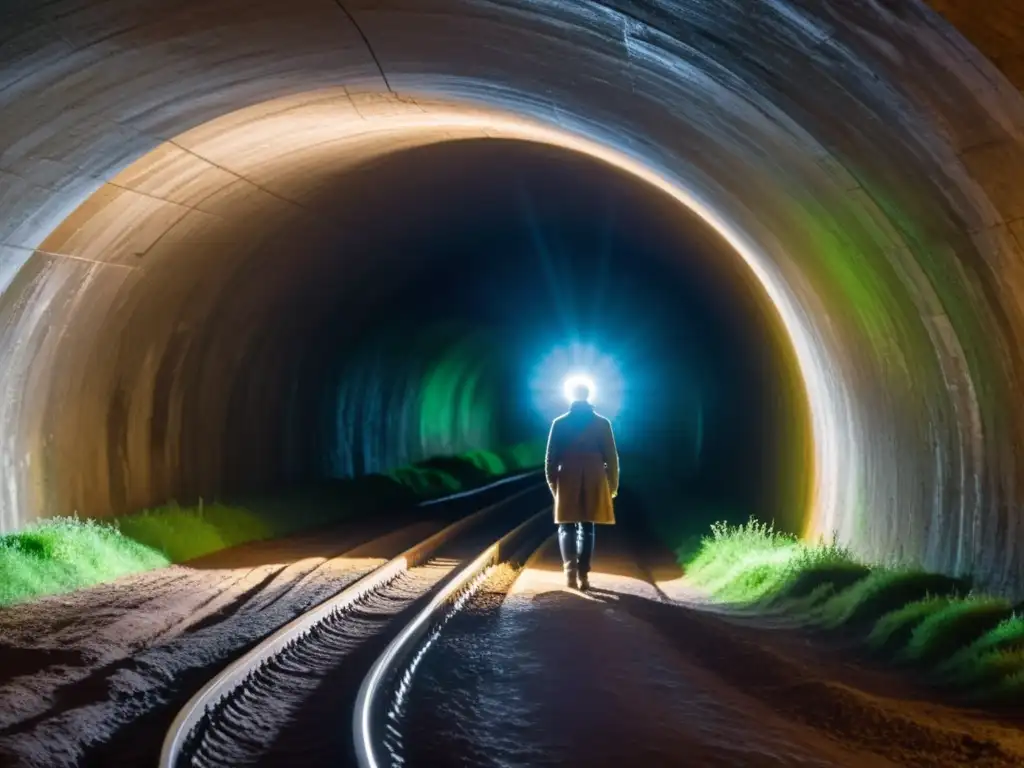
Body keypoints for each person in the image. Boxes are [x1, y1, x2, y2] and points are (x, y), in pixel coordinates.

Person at [544, 381, 619, 591]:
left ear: (571, 395)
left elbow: (550, 458)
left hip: (567, 475)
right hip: (595, 476)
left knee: (566, 526)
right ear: (589, 395)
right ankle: (584, 575)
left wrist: (553, 484)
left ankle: (570, 573)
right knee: (587, 526)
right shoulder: (603, 424)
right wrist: (612, 485)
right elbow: (612, 458)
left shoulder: (559, 423)